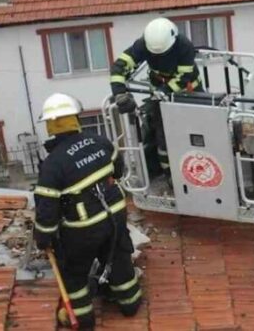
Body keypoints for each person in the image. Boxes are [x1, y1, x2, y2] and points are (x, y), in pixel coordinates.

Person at [33, 93, 142, 329]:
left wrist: (43, 238)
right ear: (75, 118)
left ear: (51, 126)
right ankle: (130, 302)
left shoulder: (53, 165)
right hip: (115, 214)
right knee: (117, 256)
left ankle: (83, 319)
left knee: (73, 272)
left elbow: (47, 209)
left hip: (83, 228)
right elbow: (119, 169)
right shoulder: (100, 141)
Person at [110, 17, 201, 176]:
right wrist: (119, 93)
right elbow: (119, 67)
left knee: (198, 130)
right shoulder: (143, 45)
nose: (159, 56)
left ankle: (197, 166)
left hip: (190, 91)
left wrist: (164, 91)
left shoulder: (184, 46)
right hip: (159, 90)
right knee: (162, 133)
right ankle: (170, 174)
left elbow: (184, 77)